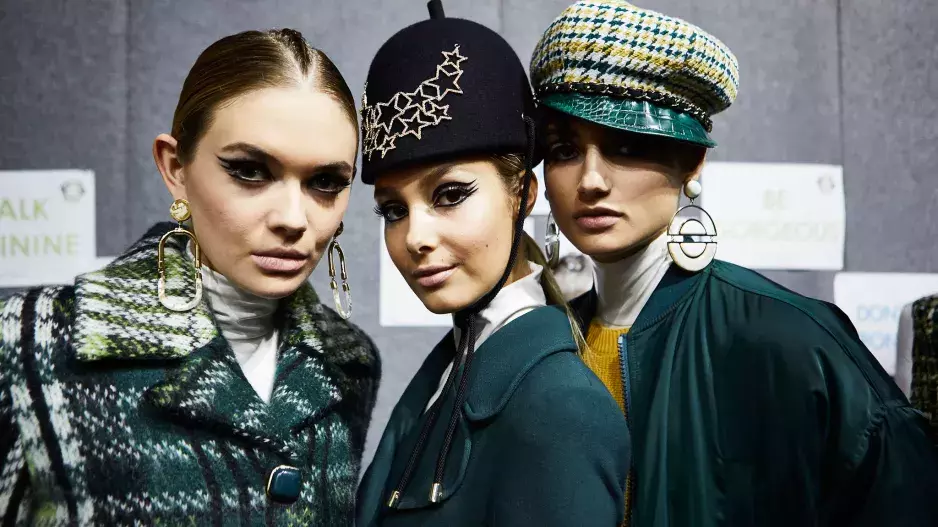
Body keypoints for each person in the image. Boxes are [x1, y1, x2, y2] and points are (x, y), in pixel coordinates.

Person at [530, 1, 938, 525]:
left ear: (692, 162)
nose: (591, 181)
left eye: (627, 147)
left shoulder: (789, 340)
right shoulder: (545, 346)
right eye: (564, 150)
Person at [0, 29, 380, 525]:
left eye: (325, 182)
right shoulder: (30, 342)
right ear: (176, 167)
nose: (293, 218)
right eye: (249, 171)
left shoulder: (349, 363)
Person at [355, 2, 629, 525]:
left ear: (522, 193)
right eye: (393, 210)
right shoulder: (453, 367)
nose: (415, 237)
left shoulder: (561, 409)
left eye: (450, 195)